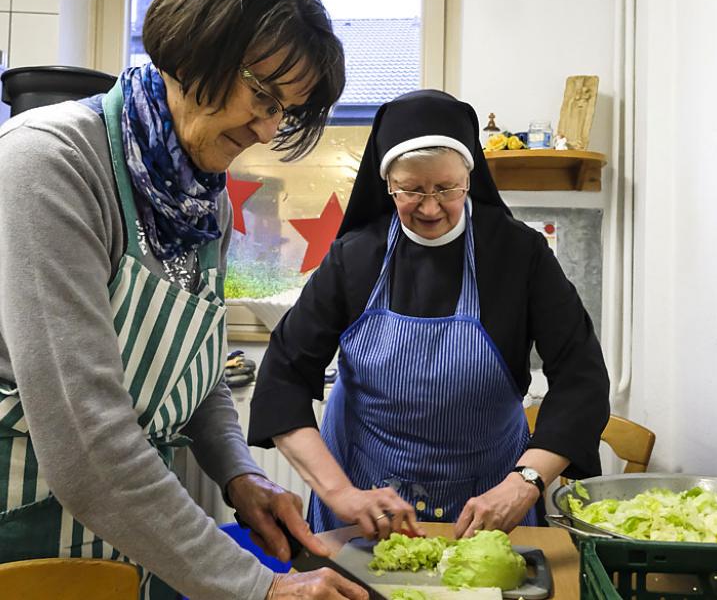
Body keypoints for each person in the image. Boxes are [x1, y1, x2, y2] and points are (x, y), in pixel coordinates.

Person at [0, 0, 367, 599]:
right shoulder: (50, 164)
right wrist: (265, 589)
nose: (267, 129)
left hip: (140, 543)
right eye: (264, 96)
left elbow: (195, 372)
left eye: (284, 112)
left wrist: (240, 475)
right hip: (22, 545)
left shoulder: (203, 201)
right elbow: (87, 446)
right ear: (196, 50)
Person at [248, 89, 611, 540]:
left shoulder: (519, 253)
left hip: (490, 495)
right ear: (387, 183)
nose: (430, 207)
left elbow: (581, 378)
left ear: (469, 177)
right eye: (411, 190)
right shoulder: (354, 257)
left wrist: (526, 482)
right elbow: (283, 375)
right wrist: (339, 492)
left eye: (446, 188)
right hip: (366, 499)